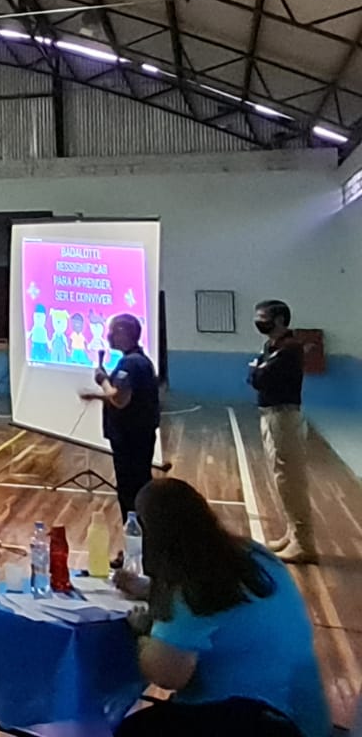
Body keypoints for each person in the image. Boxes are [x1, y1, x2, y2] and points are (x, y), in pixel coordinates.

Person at [112, 478, 326, 737]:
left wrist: (141, 633)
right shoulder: (251, 555)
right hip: (300, 715)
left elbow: (167, 674)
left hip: (257, 722)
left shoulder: (194, 589)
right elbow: (227, 610)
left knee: (131, 729)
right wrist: (149, 588)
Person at [248, 299, 314, 564]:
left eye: (263, 316)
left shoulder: (290, 348)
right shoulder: (271, 346)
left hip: (284, 417)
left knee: (290, 479)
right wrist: (256, 370)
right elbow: (254, 376)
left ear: (278, 319)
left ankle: (304, 542)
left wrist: (256, 370)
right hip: (270, 414)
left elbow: (260, 378)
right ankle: (291, 532)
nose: (259, 321)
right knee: (280, 477)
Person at [79, 312, 159, 524]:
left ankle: (137, 545)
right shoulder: (140, 361)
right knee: (139, 489)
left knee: (130, 493)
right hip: (139, 436)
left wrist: (101, 382)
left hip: (130, 438)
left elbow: (119, 398)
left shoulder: (130, 364)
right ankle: (141, 545)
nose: (108, 336)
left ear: (124, 333)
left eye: (112, 331)